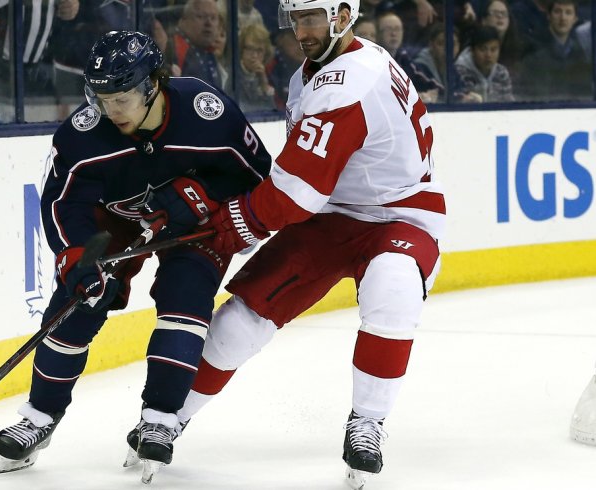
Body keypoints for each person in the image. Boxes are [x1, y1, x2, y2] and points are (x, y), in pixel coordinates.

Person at [176, 0, 445, 488]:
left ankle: (367, 423)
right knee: (244, 316)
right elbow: (300, 179)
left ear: (344, 14)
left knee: (395, 288)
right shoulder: (312, 77)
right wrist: (241, 214)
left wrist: (232, 224)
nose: (301, 30)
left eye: (312, 17)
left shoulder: (345, 81)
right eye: (295, 18)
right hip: (330, 216)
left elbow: (296, 191)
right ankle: (172, 414)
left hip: (400, 215)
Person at [0, 30, 272, 483]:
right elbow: (63, 204)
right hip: (112, 225)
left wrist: (206, 193)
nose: (111, 109)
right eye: (101, 97)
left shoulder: (207, 112)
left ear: (153, 84)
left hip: (192, 228)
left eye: (122, 97)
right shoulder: (83, 135)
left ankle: (159, 418)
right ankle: (38, 417)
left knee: (186, 301)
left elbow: (260, 176)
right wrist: (79, 257)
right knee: (76, 304)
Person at [518, 0, 591, 101]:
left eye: (568, 12)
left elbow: (584, 93)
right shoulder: (534, 47)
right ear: (549, 15)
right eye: (557, 11)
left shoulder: (579, 54)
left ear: (575, 19)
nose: (563, 18)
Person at [455, 25, 516, 102]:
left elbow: (509, 104)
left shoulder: (501, 72)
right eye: (483, 49)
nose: (488, 55)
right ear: (472, 51)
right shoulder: (459, 72)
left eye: (493, 50)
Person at [237, 23, 277, 112]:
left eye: (259, 50)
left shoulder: (269, 76)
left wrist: (264, 85)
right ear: (241, 49)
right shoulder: (232, 74)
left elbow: (273, 112)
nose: (254, 56)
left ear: (265, 53)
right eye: (250, 48)